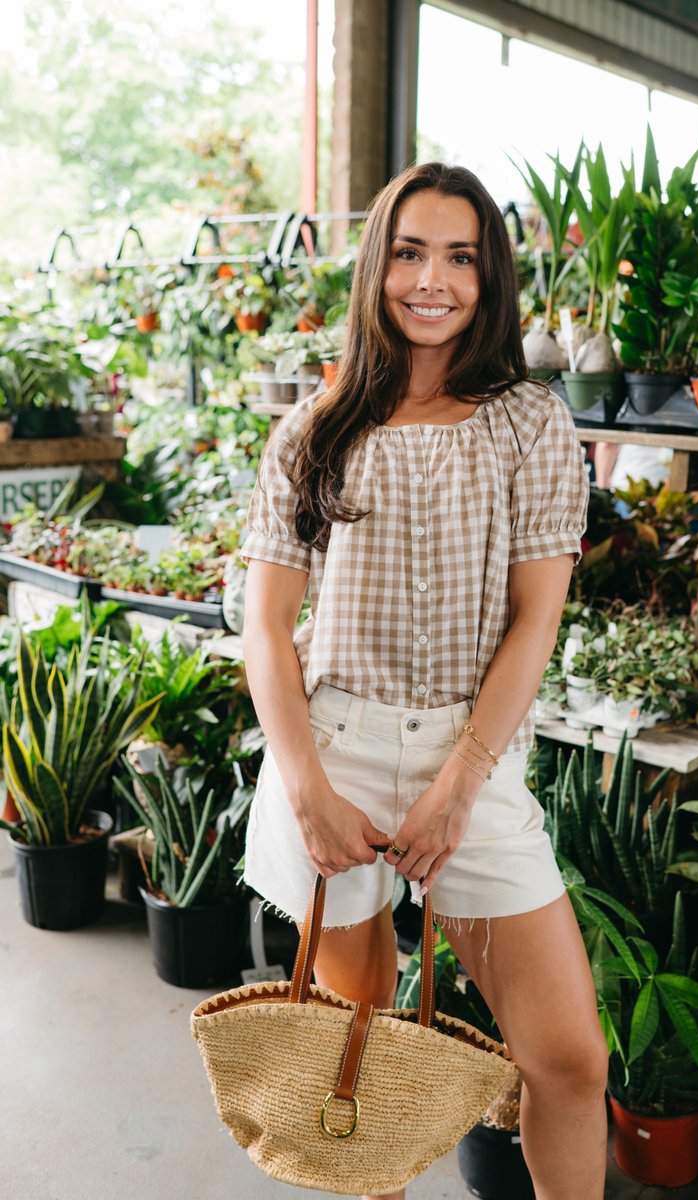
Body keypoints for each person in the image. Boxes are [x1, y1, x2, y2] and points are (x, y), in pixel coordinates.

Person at [240, 162, 608, 1200]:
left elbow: (536, 619)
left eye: (459, 257)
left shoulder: (528, 422)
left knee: (569, 1060)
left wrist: (458, 787)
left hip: (471, 760)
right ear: (377, 266)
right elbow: (265, 628)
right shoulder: (314, 429)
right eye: (408, 253)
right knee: (356, 1059)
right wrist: (307, 790)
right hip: (334, 755)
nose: (431, 280)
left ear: (490, 278)